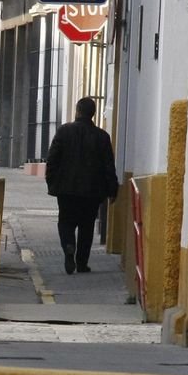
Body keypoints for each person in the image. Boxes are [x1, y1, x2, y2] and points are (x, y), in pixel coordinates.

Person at [44, 97, 119, 274]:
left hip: (66, 189)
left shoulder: (64, 131)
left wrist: (52, 181)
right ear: (93, 113)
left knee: (65, 222)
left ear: (77, 111)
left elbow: (52, 159)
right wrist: (112, 189)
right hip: (92, 191)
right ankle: (82, 263)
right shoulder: (102, 137)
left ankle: (69, 246)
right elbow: (109, 165)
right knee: (87, 226)